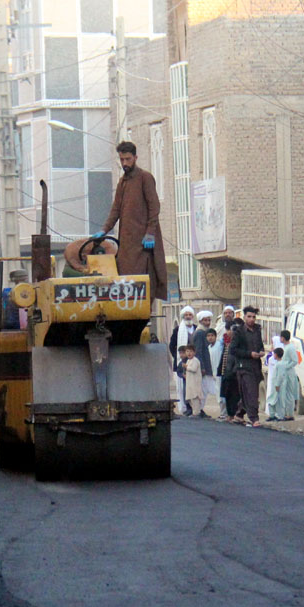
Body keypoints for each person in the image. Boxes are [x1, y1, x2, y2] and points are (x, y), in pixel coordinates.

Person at [98, 141, 167, 296]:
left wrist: (150, 232)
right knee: (125, 279)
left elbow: (154, 207)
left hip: (144, 242)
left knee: (144, 278)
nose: (125, 163)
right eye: (122, 160)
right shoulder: (122, 182)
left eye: (128, 159)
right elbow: (115, 210)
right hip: (127, 241)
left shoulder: (145, 178)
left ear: (135, 157)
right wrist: (104, 230)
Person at [229, 306, 266, 426]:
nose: (251, 319)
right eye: (249, 316)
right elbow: (233, 350)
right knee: (251, 392)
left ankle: (239, 414)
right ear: (244, 317)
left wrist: (261, 352)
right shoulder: (239, 332)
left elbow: (260, 345)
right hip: (243, 366)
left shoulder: (257, 330)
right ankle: (254, 418)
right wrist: (249, 354)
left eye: (254, 317)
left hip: (255, 366)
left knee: (248, 392)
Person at [169, 307, 198, 414]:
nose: (188, 316)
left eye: (190, 314)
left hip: (194, 363)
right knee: (182, 387)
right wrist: (179, 358)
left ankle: (196, 408)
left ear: (193, 316)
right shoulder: (177, 330)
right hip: (182, 364)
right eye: (186, 315)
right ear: (183, 316)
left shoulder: (196, 328)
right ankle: (186, 408)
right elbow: (172, 346)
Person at [211, 320, 241, 420]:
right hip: (225, 372)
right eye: (228, 330)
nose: (229, 332)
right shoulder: (226, 342)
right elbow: (224, 357)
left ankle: (233, 414)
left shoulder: (238, 344)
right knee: (226, 394)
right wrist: (221, 371)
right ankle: (229, 414)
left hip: (233, 374)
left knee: (234, 395)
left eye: (230, 330)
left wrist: (233, 371)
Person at [268, 330, 301, 422]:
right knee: (285, 394)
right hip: (284, 373)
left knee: (289, 394)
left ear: (283, 338)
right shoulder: (286, 347)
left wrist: (286, 367)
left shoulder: (290, 348)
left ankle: (290, 414)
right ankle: (285, 413)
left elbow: (295, 361)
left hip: (289, 373)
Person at [200, 328, 218, 417]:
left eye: (212, 336)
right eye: (208, 336)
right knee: (203, 392)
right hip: (209, 373)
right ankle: (200, 409)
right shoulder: (208, 348)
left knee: (220, 394)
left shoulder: (219, 346)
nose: (210, 338)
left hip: (217, 373)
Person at [181, 346, 203, 418]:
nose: (189, 353)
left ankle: (197, 413)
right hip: (190, 383)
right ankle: (194, 412)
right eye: (187, 351)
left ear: (194, 352)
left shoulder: (195, 360)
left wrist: (186, 367)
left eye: (190, 351)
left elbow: (193, 369)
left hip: (195, 383)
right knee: (190, 399)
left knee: (195, 398)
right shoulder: (188, 361)